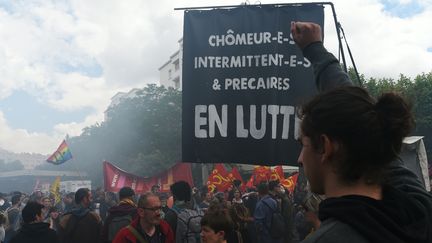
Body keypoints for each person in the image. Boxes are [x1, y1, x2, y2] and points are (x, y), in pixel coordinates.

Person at [291, 21, 432, 243]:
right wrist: (316, 51)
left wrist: (315, 51)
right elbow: (363, 123)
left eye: (303, 145)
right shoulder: (418, 209)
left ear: (326, 147)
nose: (299, 159)